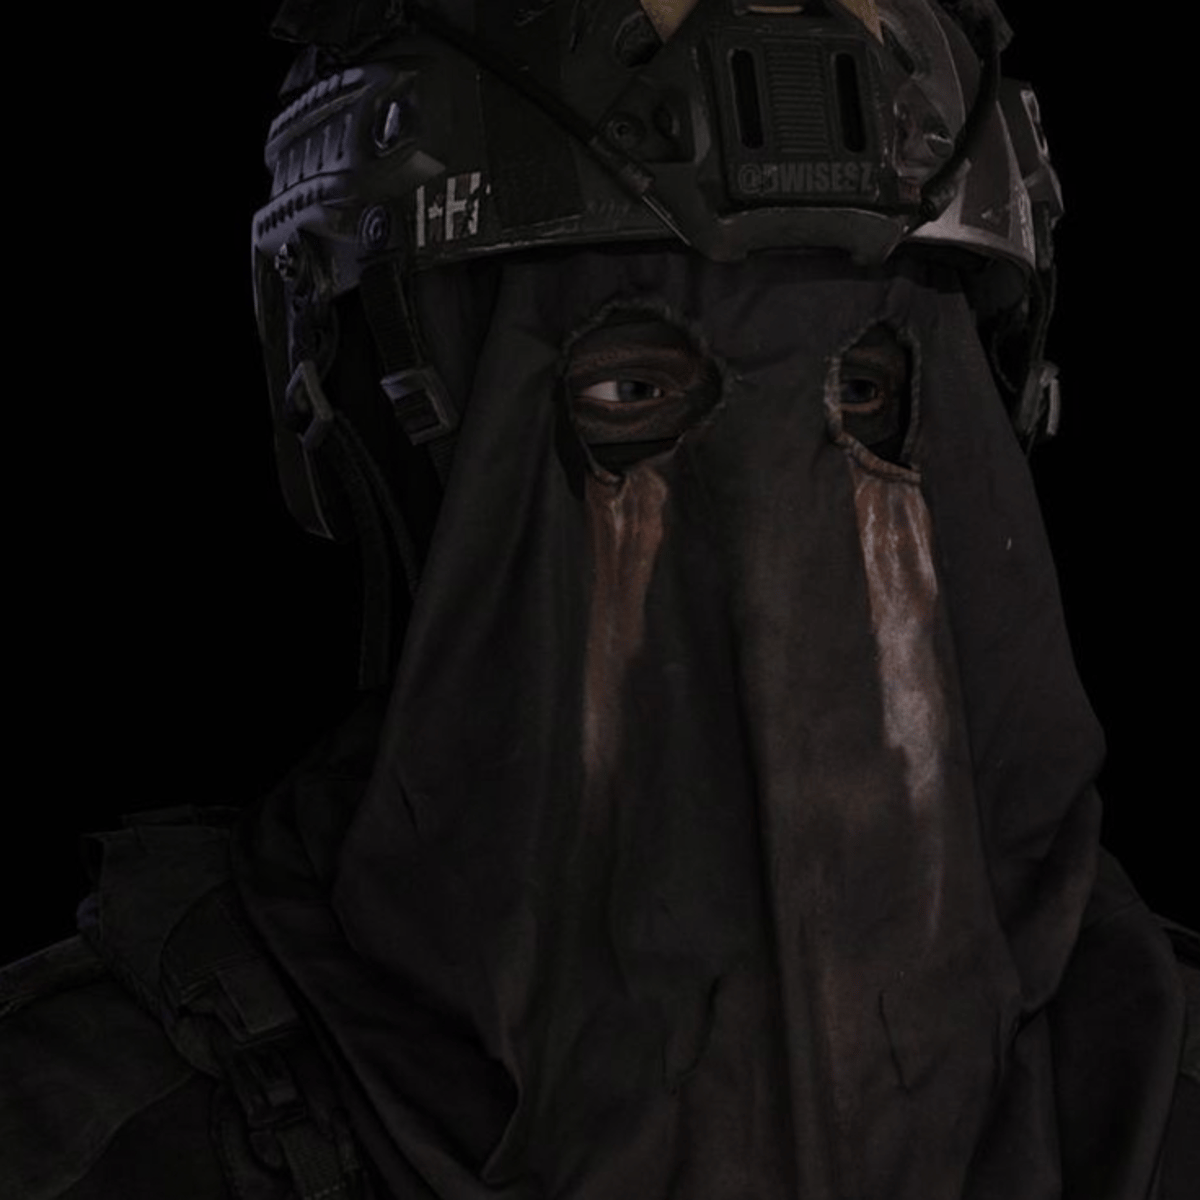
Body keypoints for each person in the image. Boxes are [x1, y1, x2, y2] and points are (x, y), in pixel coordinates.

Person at [2, 1, 1196, 1197]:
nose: (768, 544)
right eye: (629, 394)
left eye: (863, 397)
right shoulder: (94, 1134)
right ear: (393, 420)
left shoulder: (1149, 1088)